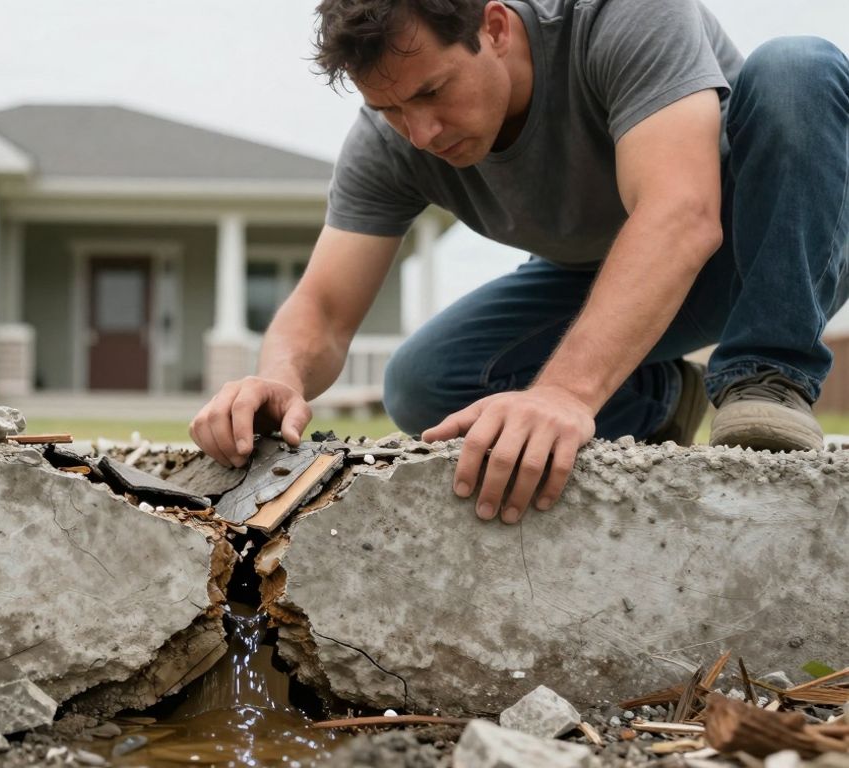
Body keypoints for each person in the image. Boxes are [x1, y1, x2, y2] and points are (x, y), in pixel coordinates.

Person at [190, 0, 849, 523]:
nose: (421, 133)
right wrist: (277, 379)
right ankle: (663, 398)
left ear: (495, 26)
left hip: (779, 237)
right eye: (388, 109)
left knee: (798, 66)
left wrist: (565, 392)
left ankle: (767, 377)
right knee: (425, 384)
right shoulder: (390, 142)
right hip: (611, 274)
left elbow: (682, 213)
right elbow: (324, 309)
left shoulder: (620, 15)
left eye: (431, 92)